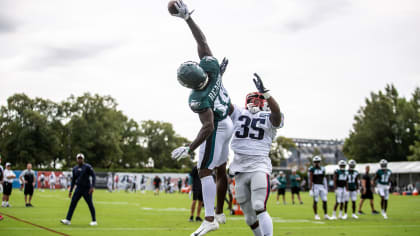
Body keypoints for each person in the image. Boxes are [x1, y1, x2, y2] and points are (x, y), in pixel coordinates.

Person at [170, 1, 233, 235]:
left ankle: (209, 219)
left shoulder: (197, 98)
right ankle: (219, 211)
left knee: (203, 169)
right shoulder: (213, 69)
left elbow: (208, 127)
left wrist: (189, 147)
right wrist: (188, 18)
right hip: (229, 119)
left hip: (218, 126)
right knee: (221, 168)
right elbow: (202, 41)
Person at [229, 74, 283, 236]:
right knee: (249, 217)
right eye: (252, 99)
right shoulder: (238, 112)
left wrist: (266, 92)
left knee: (259, 205)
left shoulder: (269, 117)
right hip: (239, 168)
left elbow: (277, 113)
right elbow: (224, 103)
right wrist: (217, 81)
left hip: (258, 166)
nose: (255, 102)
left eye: (259, 100)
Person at [61, 153, 97, 226]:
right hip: (78, 189)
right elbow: (73, 180)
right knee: (73, 203)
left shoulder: (87, 167)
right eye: (78, 158)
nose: (80, 160)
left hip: (87, 189)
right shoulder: (74, 168)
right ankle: (68, 220)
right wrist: (70, 190)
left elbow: (93, 176)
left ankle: (94, 220)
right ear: (77, 159)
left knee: (90, 204)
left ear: (83, 159)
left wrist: (92, 187)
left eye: (81, 158)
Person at [309, 156, 330, 220]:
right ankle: (316, 215)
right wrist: (310, 189)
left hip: (322, 186)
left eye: (318, 162)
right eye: (315, 162)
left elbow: (324, 179)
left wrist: (326, 188)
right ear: (314, 162)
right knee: (316, 201)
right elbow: (310, 179)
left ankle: (326, 215)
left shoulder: (323, 169)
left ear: (320, 162)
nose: (317, 163)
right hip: (315, 186)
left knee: (325, 200)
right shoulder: (312, 169)